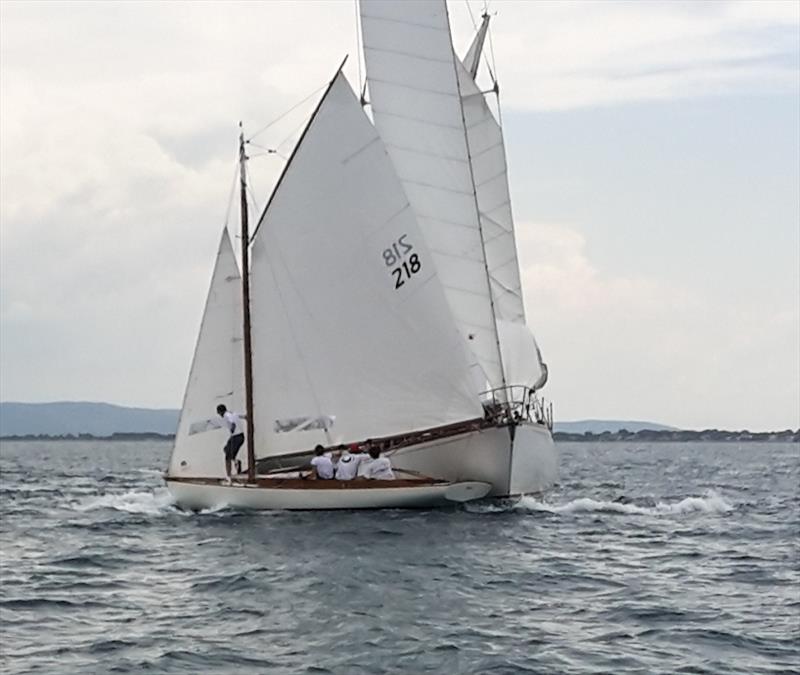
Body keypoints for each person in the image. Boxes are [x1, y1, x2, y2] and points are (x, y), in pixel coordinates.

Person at [216, 404, 245, 481]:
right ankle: (236, 461)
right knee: (226, 449)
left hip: (236, 436)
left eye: (219, 413)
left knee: (227, 456)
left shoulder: (226, 415)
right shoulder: (233, 413)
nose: (219, 415)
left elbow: (232, 422)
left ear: (220, 412)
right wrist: (246, 417)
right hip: (240, 437)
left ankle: (229, 475)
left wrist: (232, 428)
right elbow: (240, 416)